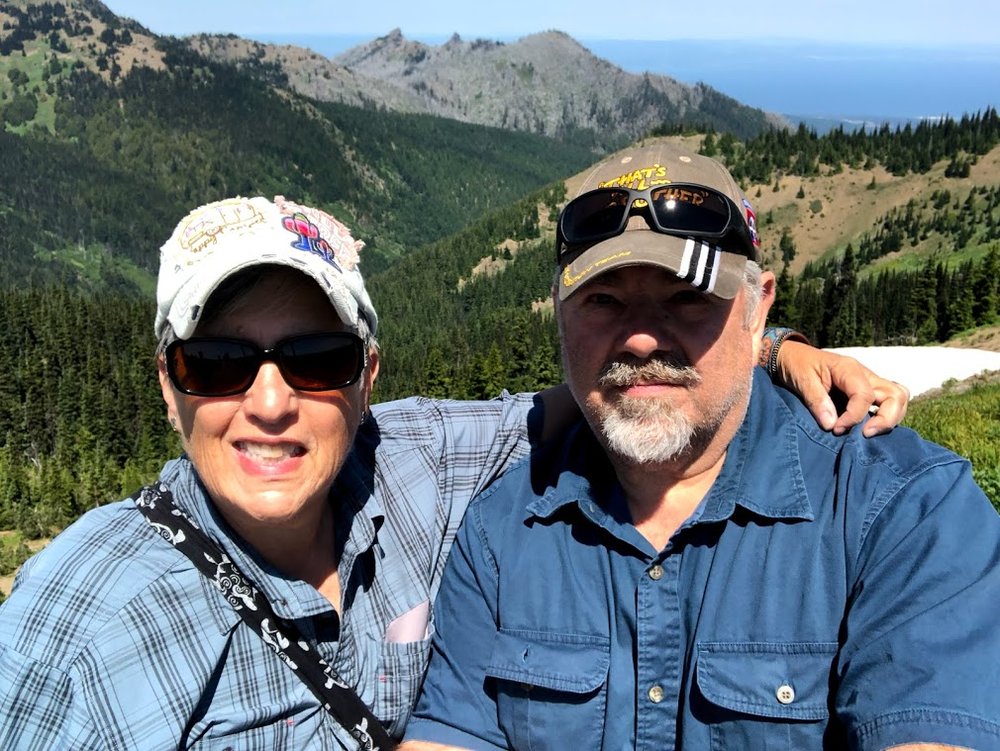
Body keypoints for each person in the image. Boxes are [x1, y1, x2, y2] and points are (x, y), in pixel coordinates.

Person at [0, 194, 909, 749]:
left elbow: (611, 390)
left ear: (367, 379)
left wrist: (769, 347)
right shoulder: (80, 622)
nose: (270, 403)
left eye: (316, 358)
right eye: (217, 363)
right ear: (169, 387)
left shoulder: (414, 463)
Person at [400, 142, 1000, 750]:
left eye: (687, 296)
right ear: (559, 313)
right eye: (603, 300)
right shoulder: (503, 525)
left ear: (757, 310)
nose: (640, 339)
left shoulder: (903, 509)